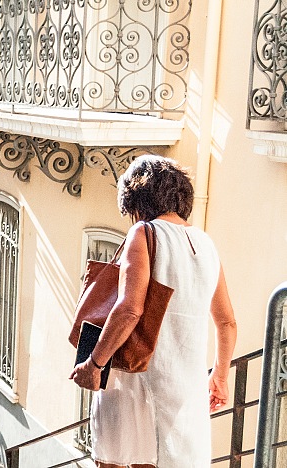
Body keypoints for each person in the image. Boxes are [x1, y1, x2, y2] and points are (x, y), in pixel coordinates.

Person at [70, 155, 237, 468]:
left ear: (135, 199)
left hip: (133, 381)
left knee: (115, 461)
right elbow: (227, 322)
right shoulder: (206, 243)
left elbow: (130, 310)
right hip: (183, 387)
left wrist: (94, 363)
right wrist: (220, 376)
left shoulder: (145, 233)